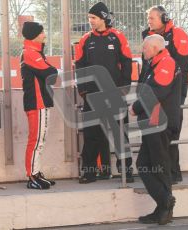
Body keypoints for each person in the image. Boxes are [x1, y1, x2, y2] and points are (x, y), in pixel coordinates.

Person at [75, 2, 133, 183]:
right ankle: (89, 172)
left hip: (115, 93)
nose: (90, 21)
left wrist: (124, 88)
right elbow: (79, 66)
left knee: (119, 133)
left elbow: (127, 63)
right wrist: (83, 89)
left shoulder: (117, 37)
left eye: (93, 18)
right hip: (92, 95)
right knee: (91, 134)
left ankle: (125, 170)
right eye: (89, 18)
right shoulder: (85, 39)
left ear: (103, 18)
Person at [130, 34, 181, 225]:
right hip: (153, 123)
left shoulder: (166, 63)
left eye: (145, 47)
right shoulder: (154, 64)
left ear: (154, 47)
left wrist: (135, 108)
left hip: (159, 123)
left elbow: (157, 91)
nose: (142, 51)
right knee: (147, 165)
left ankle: (165, 202)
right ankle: (163, 208)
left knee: (157, 165)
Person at [141, 5, 188, 183]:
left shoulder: (178, 34)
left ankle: (173, 173)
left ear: (164, 18)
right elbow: (146, 65)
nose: (149, 22)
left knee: (170, 132)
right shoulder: (147, 35)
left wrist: (171, 91)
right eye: (148, 19)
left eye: (152, 18)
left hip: (173, 91)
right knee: (154, 133)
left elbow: (183, 67)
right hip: (154, 89)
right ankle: (160, 172)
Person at [20, 21, 58, 189]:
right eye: (42, 32)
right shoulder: (29, 52)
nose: (44, 35)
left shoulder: (35, 51)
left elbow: (50, 74)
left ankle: (36, 172)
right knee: (35, 141)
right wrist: (52, 70)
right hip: (37, 103)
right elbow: (50, 73)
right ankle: (32, 176)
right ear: (35, 35)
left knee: (39, 140)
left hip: (41, 102)